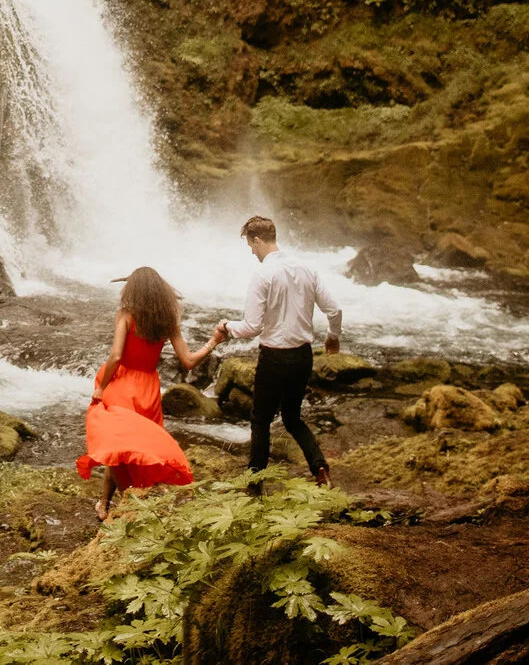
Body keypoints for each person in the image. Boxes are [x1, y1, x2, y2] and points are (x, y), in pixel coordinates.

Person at [77, 266, 225, 519]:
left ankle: (128, 506)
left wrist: (101, 387)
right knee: (125, 450)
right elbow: (188, 361)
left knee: (117, 448)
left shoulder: (126, 315)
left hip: (121, 384)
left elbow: (116, 355)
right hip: (148, 390)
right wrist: (213, 342)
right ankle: (106, 505)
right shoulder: (167, 321)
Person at [210, 215, 342, 486]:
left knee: (260, 419)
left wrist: (226, 326)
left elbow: (252, 327)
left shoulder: (263, 275)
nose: (252, 252)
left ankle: (255, 481)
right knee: (293, 418)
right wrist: (333, 337)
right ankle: (320, 469)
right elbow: (334, 310)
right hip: (303, 355)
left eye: (251, 246)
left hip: (274, 358)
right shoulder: (307, 268)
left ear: (258, 240)